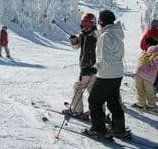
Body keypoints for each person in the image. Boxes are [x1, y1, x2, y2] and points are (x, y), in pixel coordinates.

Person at [84, 10, 127, 138]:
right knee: (113, 101)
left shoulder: (105, 36)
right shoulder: (117, 34)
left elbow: (105, 60)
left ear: (101, 22)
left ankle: (98, 130)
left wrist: (93, 69)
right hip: (117, 74)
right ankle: (119, 129)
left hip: (106, 75)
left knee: (94, 101)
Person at [64, 13, 97, 117]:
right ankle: (98, 112)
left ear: (93, 24)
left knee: (77, 88)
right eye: (84, 23)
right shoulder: (82, 34)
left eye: (88, 23)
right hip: (87, 68)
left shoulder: (96, 36)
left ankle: (77, 110)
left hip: (90, 68)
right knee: (92, 90)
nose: (86, 26)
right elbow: (76, 46)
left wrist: (94, 67)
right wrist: (74, 41)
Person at [132, 45, 158, 112]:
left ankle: (140, 104)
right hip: (149, 75)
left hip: (138, 71)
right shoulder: (156, 56)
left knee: (139, 89)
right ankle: (151, 105)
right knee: (149, 91)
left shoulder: (147, 51)